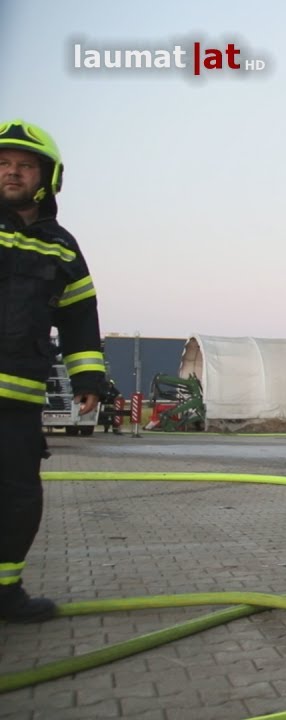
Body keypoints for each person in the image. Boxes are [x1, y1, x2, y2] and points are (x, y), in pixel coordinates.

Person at [0, 120, 105, 622]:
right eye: (3, 164)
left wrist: (88, 379)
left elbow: (80, 315)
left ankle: (5, 592)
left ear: (46, 177)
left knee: (19, 498)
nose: (12, 172)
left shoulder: (61, 245)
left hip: (18, 403)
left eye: (25, 165)